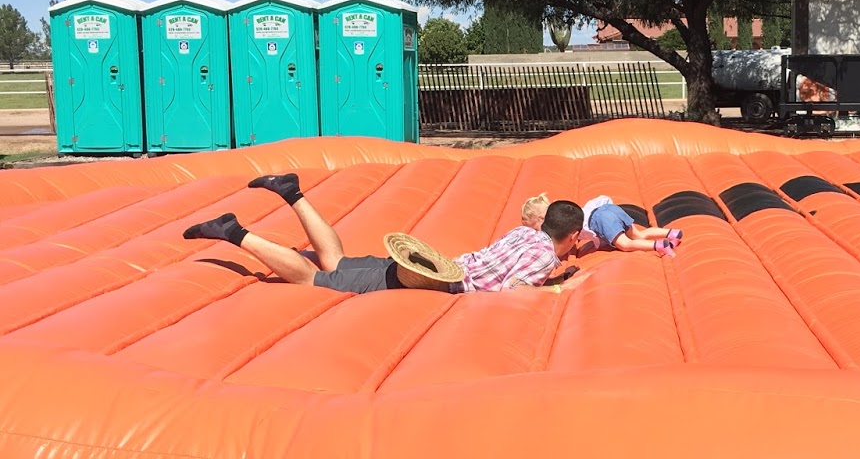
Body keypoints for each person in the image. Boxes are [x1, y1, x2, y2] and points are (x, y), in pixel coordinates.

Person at [182, 173, 583, 294]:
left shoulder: (523, 233)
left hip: (428, 265)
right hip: (430, 283)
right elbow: (514, 290)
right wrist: (557, 287)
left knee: (336, 262)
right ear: (572, 236)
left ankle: (292, 193)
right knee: (314, 279)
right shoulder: (545, 256)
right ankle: (235, 232)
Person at [578, 194, 682, 255]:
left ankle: (659, 245)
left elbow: (594, 234)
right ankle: (672, 233)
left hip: (601, 218)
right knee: (639, 235)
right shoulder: (583, 210)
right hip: (610, 208)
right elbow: (603, 198)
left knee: (625, 244)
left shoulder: (576, 227)